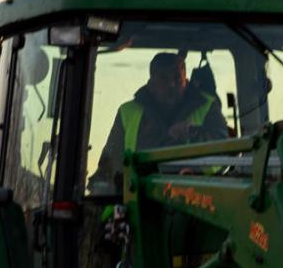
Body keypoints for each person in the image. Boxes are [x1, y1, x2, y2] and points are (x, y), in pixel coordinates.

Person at [90, 51, 229, 193]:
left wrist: (192, 133)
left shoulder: (207, 107)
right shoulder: (128, 112)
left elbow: (226, 149)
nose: (171, 85)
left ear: (186, 81)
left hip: (200, 202)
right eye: (163, 79)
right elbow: (110, 165)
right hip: (139, 201)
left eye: (177, 78)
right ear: (150, 83)